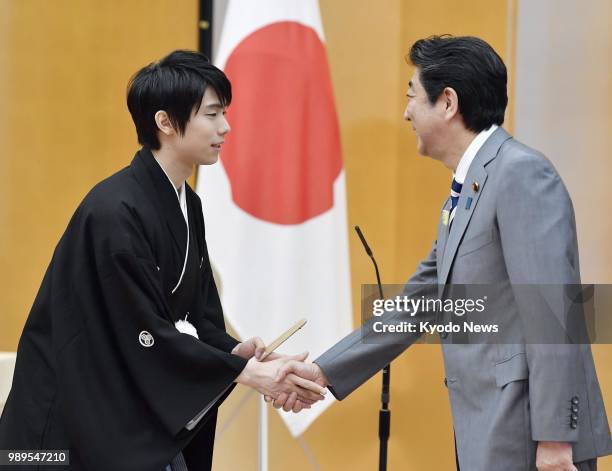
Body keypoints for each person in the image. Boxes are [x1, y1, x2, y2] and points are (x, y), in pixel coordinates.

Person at [273, 36, 612, 470]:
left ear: (447, 102)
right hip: (488, 431)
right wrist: (323, 372)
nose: (406, 111)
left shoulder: (520, 173)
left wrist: (555, 441)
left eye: (412, 95)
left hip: (528, 439)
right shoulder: (466, 192)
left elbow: (554, 311)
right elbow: (418, 304)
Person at [0, 50, 326, 471]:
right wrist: (240, 372)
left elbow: (200, 314)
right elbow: (142, 332)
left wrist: (235, 352)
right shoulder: (113, 211)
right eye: (212, 114)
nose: (225, 127)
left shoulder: (187, 203)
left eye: (224, 113)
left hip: (123, 411)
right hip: (64, 426)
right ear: (166, 122)